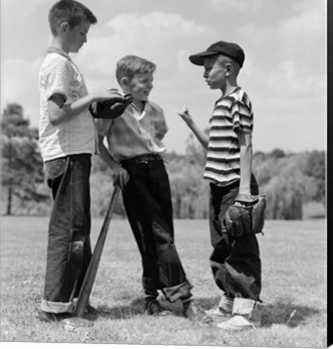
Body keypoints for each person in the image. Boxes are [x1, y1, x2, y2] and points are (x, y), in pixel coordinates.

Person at [96, 55, 204, 320]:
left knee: (161, 232)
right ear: (125, 82)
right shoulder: (113, 108)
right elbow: (98, 144)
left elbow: (159, 134)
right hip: (132, 174)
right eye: (145, 81)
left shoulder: (155, 110)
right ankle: (183, 299)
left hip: (157, 169)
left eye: (151, 81)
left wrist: (148, 155)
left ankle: (150, 298)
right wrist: (116, 166)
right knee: (157, 235)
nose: (150, 86)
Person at [38, 0, 124, 322]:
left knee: (77, 229)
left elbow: (71, 110)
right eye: (83, 33)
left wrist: (102, 107)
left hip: (73, 155)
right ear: (65, 28)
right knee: (70, 231)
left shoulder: (62, 64)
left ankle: (78, 299)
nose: (85, 40)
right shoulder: (59, 65)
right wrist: (94, 96)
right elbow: (57, 114)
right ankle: (56, 306)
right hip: (68, 155)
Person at [178, 41, 263, 331]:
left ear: (227, 69)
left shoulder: (238, 99)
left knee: (241, 248)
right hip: (217, 186)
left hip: (233, 186)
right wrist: (190, 123)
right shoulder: (220, 103)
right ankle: (228, 302)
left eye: (207, 68)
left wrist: (243, 192)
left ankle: (247, 312)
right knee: (220, 247)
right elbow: (212, 146)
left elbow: (246, 145)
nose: (204, 74)